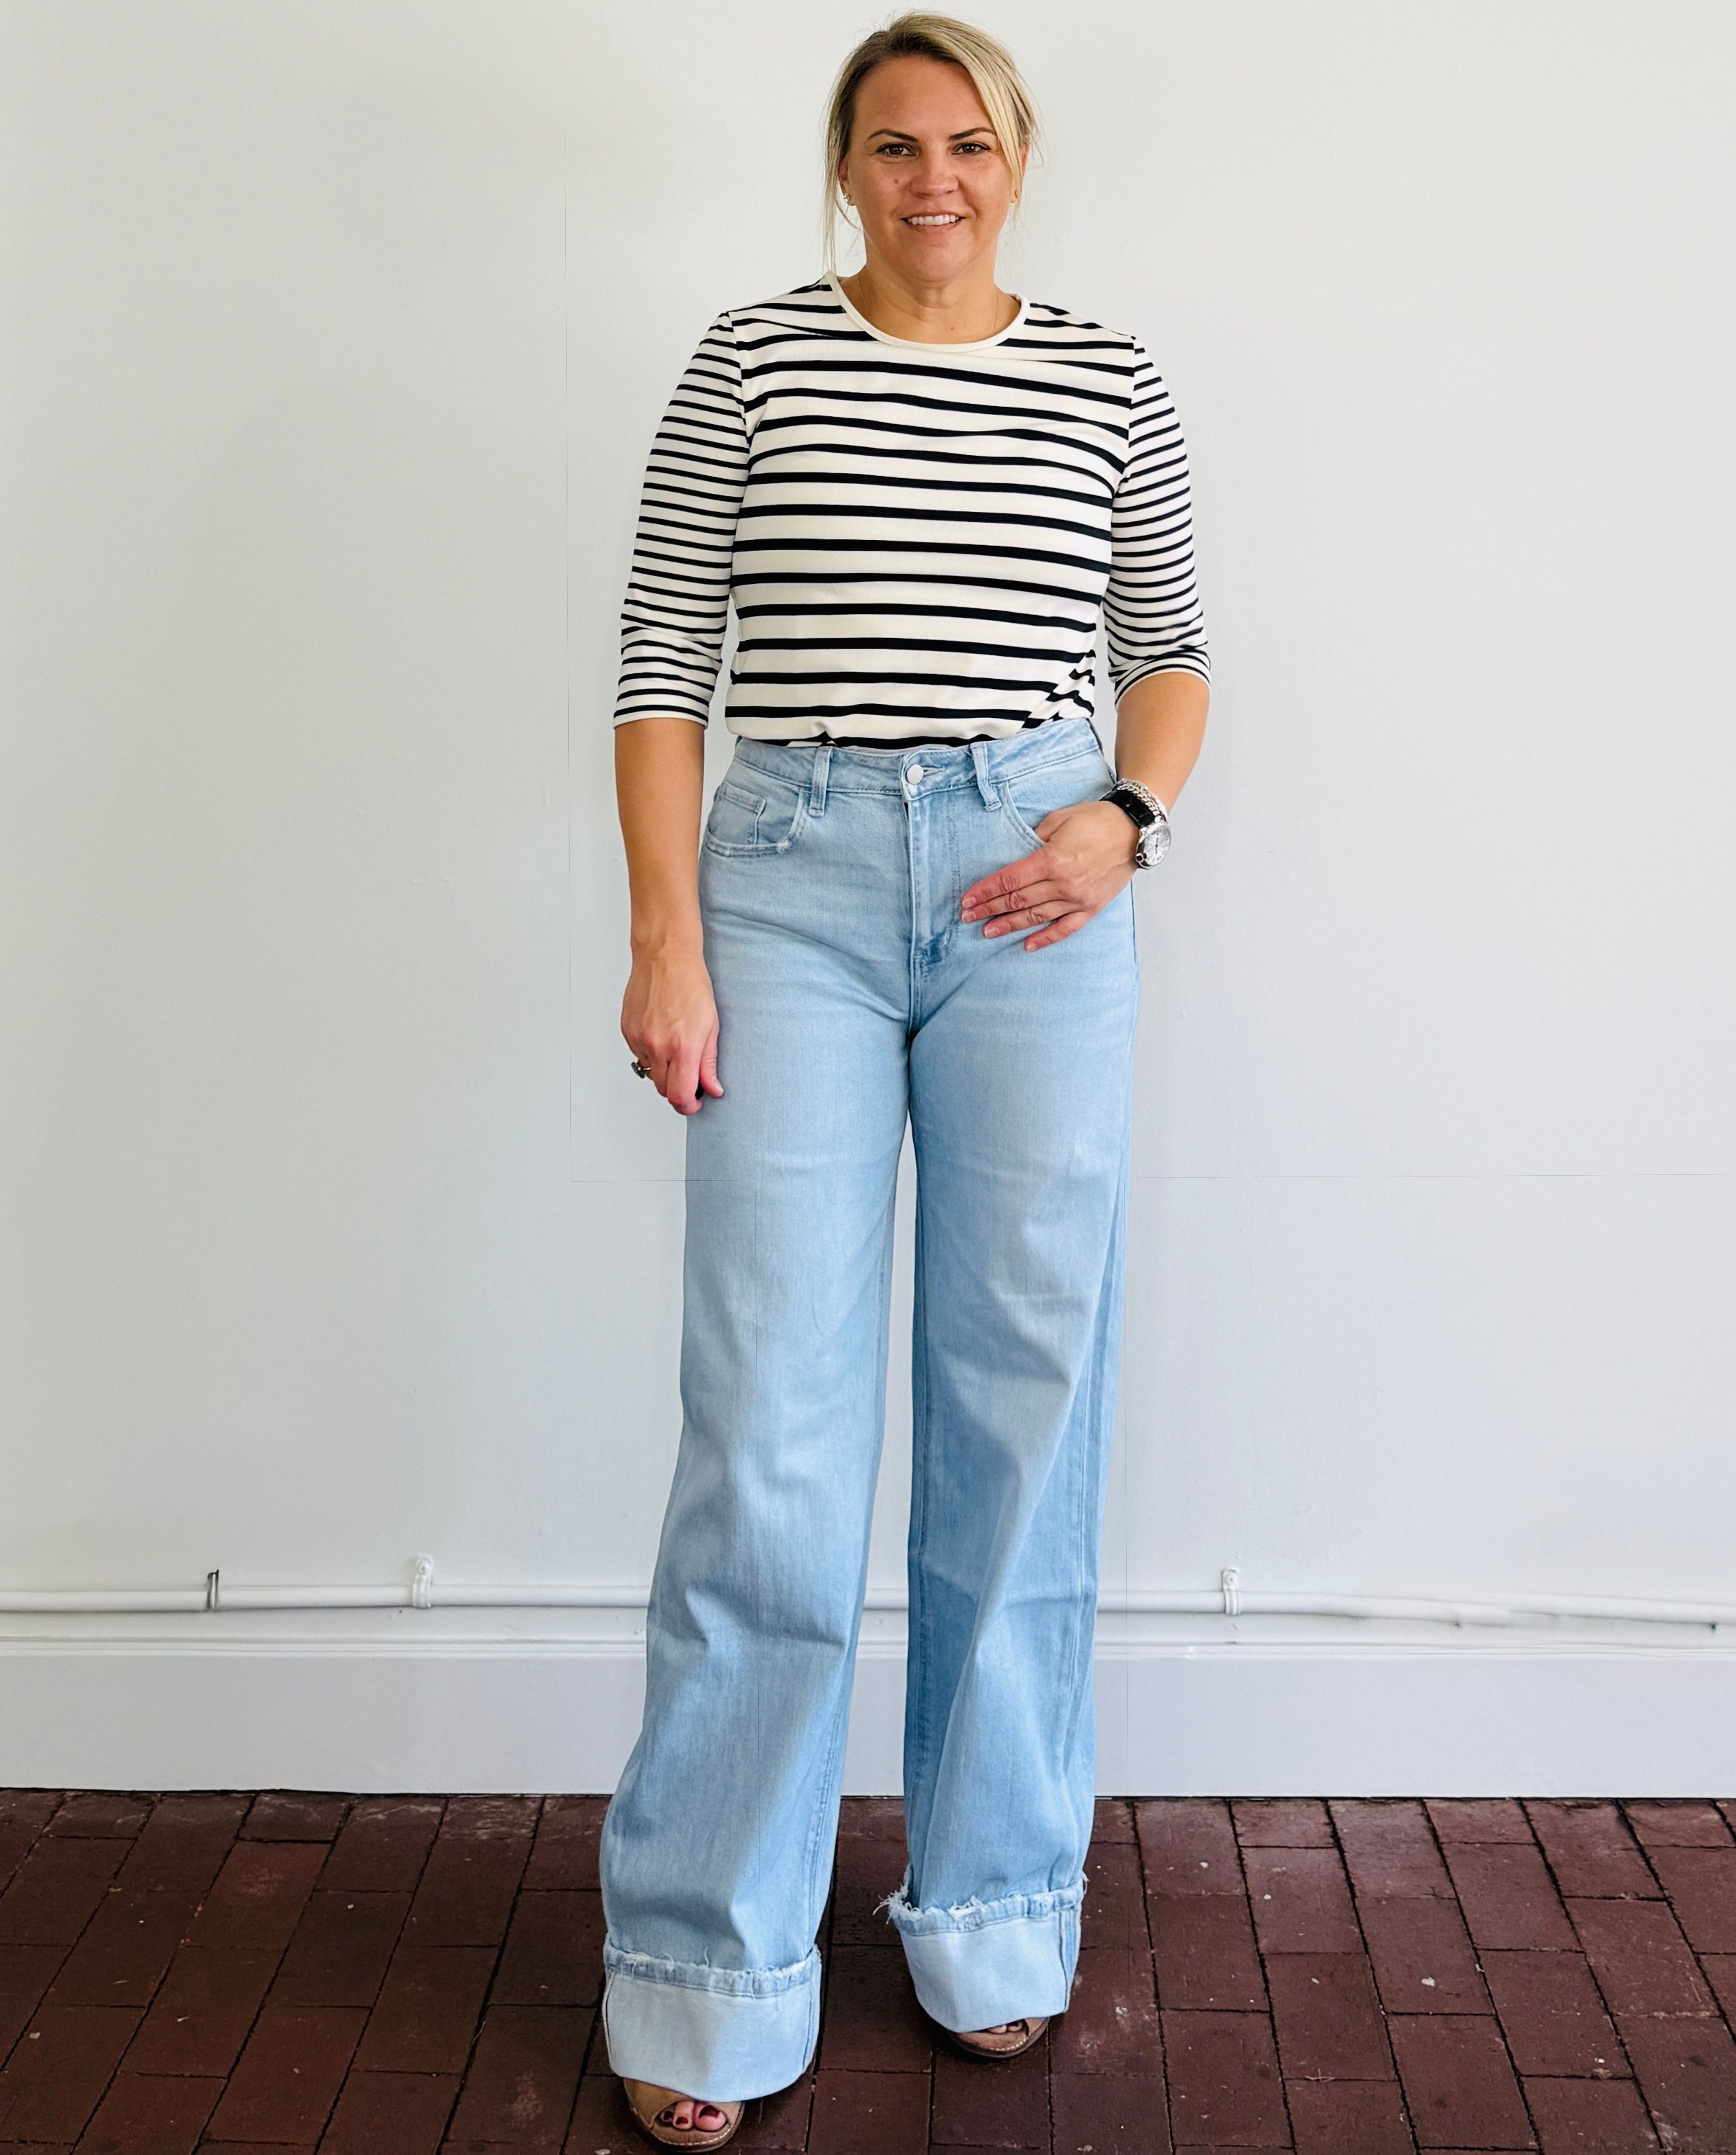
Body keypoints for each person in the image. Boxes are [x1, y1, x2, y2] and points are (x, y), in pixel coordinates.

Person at [597, 13, 1210, 2146]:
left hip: (1040, 880)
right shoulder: (751, 361)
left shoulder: (1109, 378)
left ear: (1015, 161)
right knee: (768, 1419)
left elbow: (1169, 650)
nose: (931, 178)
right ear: (845, 167)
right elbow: (662, 665)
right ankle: (709, 1962)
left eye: (967, 143)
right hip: (787, 884)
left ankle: (997, 1910)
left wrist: (1123, 822)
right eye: (891, 145)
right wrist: (666, 935)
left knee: (1021, 1398)